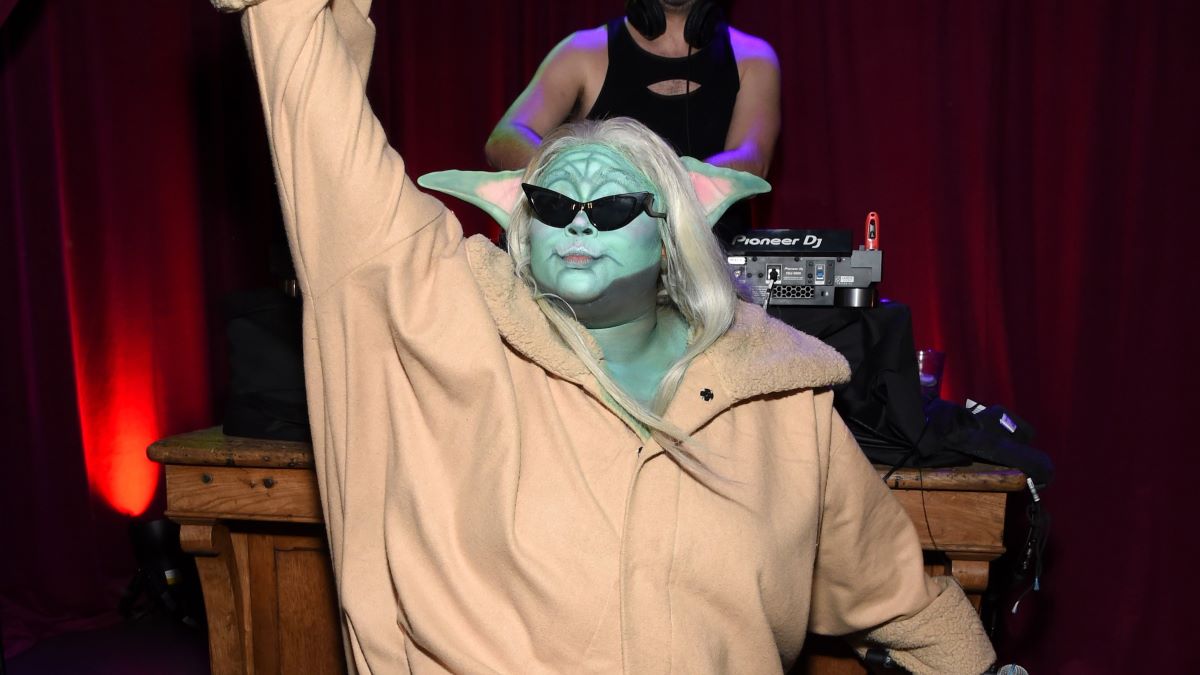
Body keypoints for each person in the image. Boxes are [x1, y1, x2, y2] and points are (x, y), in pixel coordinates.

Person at [215, 0, 996, 672]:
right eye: (555, 204)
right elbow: (327, 147)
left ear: (674, 235)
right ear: (523, 226)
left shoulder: (782, 403)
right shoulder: (445, 324)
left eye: (615, 203)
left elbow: (901, 597)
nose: (580, 217)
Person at [485, 0, 780, 241]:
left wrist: (663, 184)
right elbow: (505, 139)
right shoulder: (583, 52)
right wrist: (582, 178)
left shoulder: (752, 58)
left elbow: (752, 158)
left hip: (709, 260)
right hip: (600, 254)